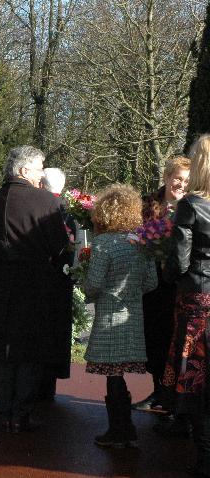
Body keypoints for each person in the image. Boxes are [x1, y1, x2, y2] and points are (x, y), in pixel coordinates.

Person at [0, 145, 69, 433]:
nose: (42, 174)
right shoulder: (46, 201)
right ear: (24, 170)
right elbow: (60, 246)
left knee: (4, 349)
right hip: (35, 284)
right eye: (39, 168)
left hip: (0, 284)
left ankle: (4, 408)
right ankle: (21, 412)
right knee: (29, 350)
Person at [83, 184, 157, 448]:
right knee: (118, 373)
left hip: (109, 317)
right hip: (133, 316)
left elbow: (94, 283)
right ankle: (125, 428)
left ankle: (119, 429)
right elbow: (152, 282)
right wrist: (132, 293)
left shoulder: (103, 244)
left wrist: (86, 288)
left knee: (113, 373)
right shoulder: (140, 243)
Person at [163, 135, 210, 476]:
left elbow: (179, 262)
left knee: (195, 378)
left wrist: (168, 274)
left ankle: (204, 457)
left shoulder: (191, 205)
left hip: (197, 298)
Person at [133, 156, 191, 412]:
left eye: (187, 181)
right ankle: (158, 390)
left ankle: (176, 396)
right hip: (152, 281)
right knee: (154, 335)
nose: (181, 184)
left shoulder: (193, 205)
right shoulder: (147, 204)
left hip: (182, 282)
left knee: (177, 340)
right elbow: (134, 232)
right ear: (167, 177)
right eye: (177, 178)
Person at [38, 167, 76, 401]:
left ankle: (38, 385)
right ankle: (49, 384)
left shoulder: (42, 210)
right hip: (62, 281)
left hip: (43, 281)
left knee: (41, 333)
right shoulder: (70, 213)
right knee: (56, 333)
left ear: (41, 185)